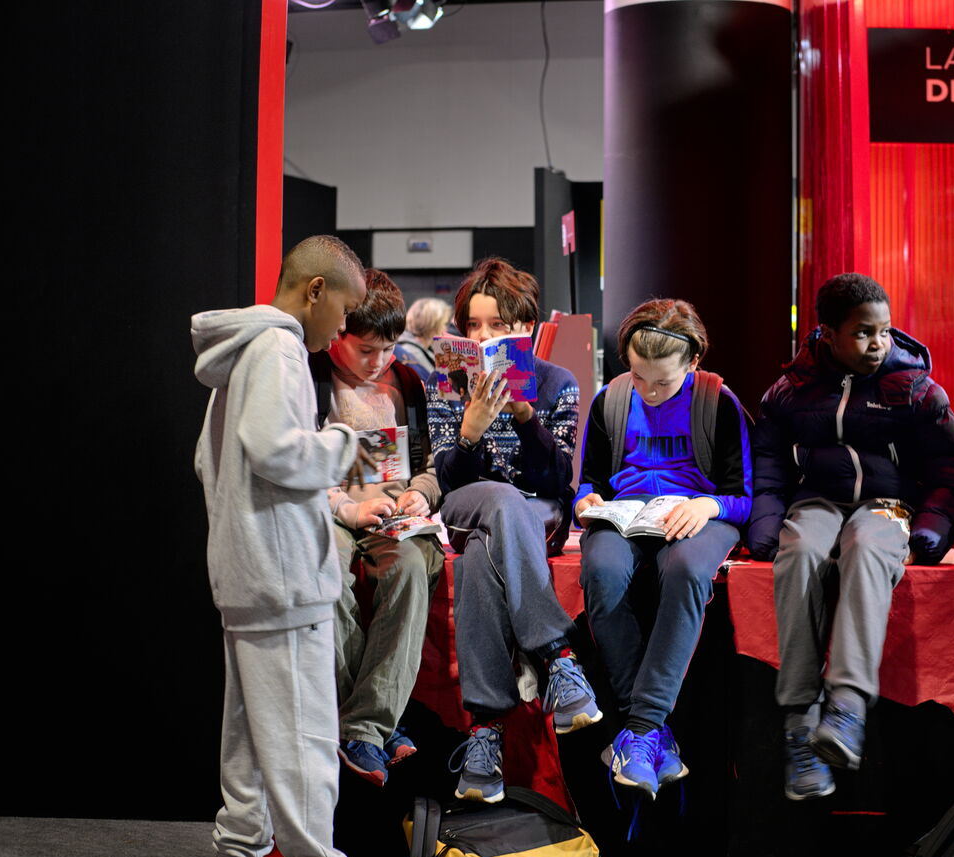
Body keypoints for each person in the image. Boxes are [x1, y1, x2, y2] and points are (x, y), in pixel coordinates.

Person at [191, 234, 401, 857]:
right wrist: (347, 442)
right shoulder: (279, 350)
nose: (343, 328)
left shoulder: (243, 353)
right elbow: (277, 450)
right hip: (281, 581)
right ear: (315, 291)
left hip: (248, 575)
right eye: (343, 310)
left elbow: (208, 463)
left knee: (253, 733)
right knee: (306, 737)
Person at [748, 273, 954, 800]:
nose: (878, 343)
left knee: (868, 547)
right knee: (798, 551)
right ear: (827, 334)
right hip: (816, 502)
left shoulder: (915, 389)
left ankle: (847, 708)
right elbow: (769, 465)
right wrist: (765, 526)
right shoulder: (791, 390)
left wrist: (930, 530)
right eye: (863, 333)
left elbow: (952, 468)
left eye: (885, 331)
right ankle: (800, 724)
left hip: (887, 505)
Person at [429, 257, 601, 805]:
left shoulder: (557, 383)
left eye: (497, 326)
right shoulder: (447, 380)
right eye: (472, 325)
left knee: (481, 560)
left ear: (525, 328)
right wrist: (469, 434)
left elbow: (558, 479)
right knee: (499, 502)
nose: (482, 337)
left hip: (538, 513)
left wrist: (526, 418)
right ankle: (558, 657)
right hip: (471, 504)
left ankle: (485, 730)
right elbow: (448, 480)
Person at [575, 299, 752, 799]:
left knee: (686, 571)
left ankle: (642, 727)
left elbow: (744, 496)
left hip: (697, 514)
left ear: (693, 362)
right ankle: (651, 733)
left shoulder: (718, 402)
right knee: (602, 570)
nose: (649, 392)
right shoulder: (611, 399)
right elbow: (589, 480)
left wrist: (708, 506)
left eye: (664, 382)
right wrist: (585, 501)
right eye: (639, 377)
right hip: (625, 514)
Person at [316, 268, 445, 787]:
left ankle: (366, 725)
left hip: (394, 520)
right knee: (325, 571)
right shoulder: (312, 379)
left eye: (389, 349)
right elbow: (298, 470)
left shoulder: (407, 383)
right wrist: (349, 510)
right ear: (339, 333)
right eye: (366, 349)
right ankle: (365, 722)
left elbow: (432, 465)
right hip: (331, 513)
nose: (379, 361)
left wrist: (421, 493)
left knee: (410, 569)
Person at [393, 296, 454, 380]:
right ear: (432, 326)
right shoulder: (412, 352)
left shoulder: (424, 347)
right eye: (444, 324)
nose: (445, 329)